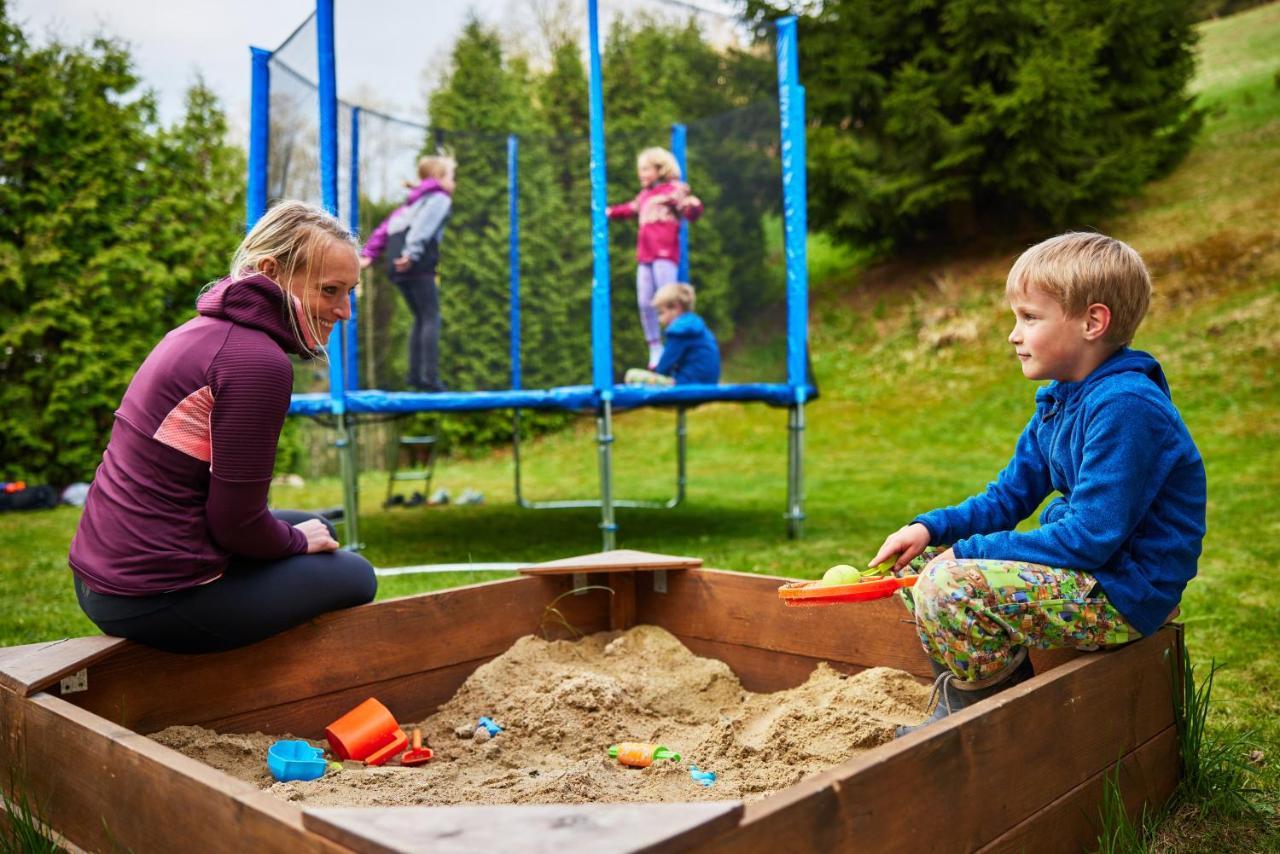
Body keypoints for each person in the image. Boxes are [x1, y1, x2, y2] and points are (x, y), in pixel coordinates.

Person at [868, 232, 1206, 735]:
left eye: (1029, 317)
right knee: (916, 563)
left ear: (1093, 321)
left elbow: (1090, 536)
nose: (1013, 334)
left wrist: (968, 555)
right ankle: (977, 692)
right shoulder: (1061, 399)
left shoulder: (1126, 406)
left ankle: (994, 725)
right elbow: (1008, 497)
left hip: (1127, 588)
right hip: (1094, 570)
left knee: (950, 586)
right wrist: (930, 527)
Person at [68, 201, 378, 654]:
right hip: (154, 598)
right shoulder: (258, 363)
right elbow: (237, 526)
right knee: (355, 574)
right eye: (330, 290)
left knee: (315, 526)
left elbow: (234, 520)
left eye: (350, 292)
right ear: (270, 271)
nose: (344, 311)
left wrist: (294, 539)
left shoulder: (199, 332)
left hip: (101, 578)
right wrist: (292, 542)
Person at [360, 155, 456, 392]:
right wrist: (412, 254)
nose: (454, 183)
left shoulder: (411, 203)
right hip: (414, 262)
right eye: (452, 176)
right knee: (431, 316)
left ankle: (415, 375)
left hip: (396, 262)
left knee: (421, 316)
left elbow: (384, 228)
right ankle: (431, 379)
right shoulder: (439, 199)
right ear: (440, 178)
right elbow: (423, 227)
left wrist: (369, 254)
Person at [607, 147, 703, 369]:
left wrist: (693, 206)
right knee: (645, 301)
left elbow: (690, 208)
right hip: (645, 255)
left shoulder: (673, 190)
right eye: (640, 170)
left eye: (645, 169)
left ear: (660, 169)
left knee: (668, 300)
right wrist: (609, 212)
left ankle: (676, 343)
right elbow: (629, 209)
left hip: (665, 253)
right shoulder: (645, 196)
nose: (641, 174)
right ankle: (655, 346)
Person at [623, 283, 720, 387]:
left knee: (631, 375)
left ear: (676, 308)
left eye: (661, 313)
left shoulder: (679, 330)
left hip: (687, 384)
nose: (659, 320)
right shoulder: (696, 326)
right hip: (708, 383)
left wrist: (655, 373)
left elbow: (664, 367)